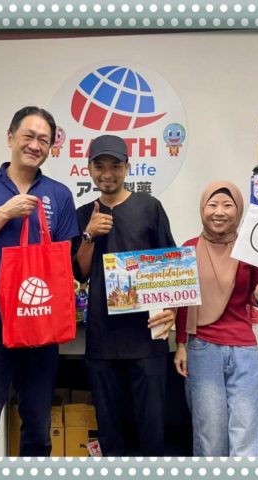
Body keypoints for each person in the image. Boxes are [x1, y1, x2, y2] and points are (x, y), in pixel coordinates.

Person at [0, 106, 79, 456]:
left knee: (37, 428)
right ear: (10, 138)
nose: (35, 145)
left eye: (44, 140)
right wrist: (4, 212)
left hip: (38, 320)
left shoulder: (59, 194)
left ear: (51, 148)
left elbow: (63, 261)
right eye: (29, 136)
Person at [72, 134, 176, 456]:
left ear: (127, 167)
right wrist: (89, 235)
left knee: (152, 427)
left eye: (115, 166)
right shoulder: (83, 214)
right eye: (99, 166)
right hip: (103, 338)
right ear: (89, 169)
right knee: (110, 427)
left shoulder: (149, 207)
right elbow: (80, 273)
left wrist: (171, 311)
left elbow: (170, 266)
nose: (107, 174)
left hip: (146, 336)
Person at [173, 180, 258, 457]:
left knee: (247, 430)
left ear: (239, 210)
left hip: (243, 349)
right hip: (202, 347)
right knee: (210, 433)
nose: (219, 212)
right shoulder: (189, 248)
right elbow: (183, 302)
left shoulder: (250, 250)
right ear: (203, 208)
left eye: (227, 205)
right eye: (212, 204)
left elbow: (255, 296)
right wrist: (181, 345)